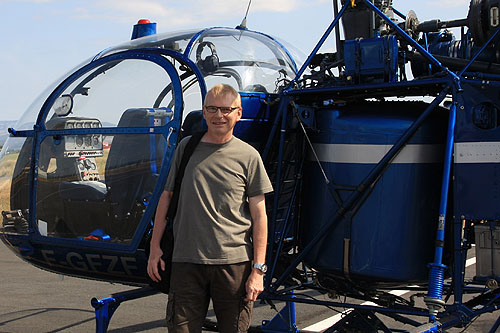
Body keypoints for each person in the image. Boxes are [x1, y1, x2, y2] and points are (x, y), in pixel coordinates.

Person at [147, 84, 273, 332]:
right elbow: (166, 197)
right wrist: (154, 249)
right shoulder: (186, 148)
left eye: (226, 109)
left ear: (239, 113)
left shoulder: (249, 156)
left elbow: (260, 217)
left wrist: (258, 270)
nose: (219, 116)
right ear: (203, 112)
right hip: (186, 262)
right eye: (212, 108)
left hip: (233, 264)